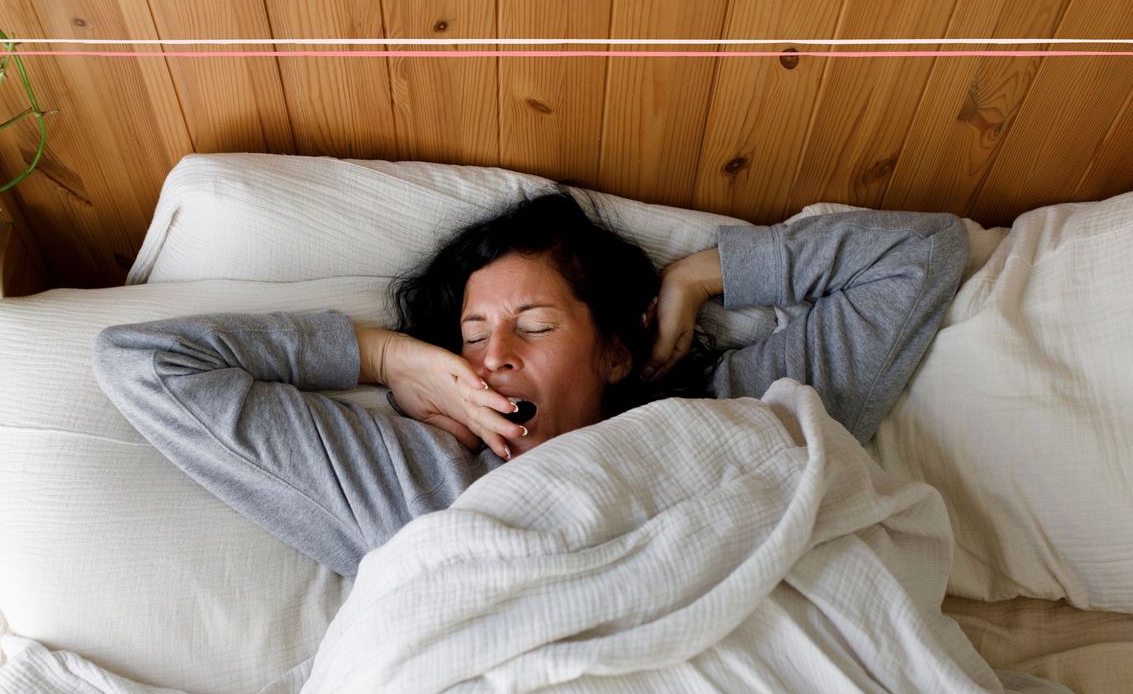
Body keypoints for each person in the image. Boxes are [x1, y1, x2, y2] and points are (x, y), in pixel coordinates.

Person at [93, 192, 968, 577]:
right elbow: (143, 365)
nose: (493, 355)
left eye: (536, 326)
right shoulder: (413, 483)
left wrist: (696, 279)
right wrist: (388, 358)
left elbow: (922, 254)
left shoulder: (727, 412)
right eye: (471, 339)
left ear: (616, 354)